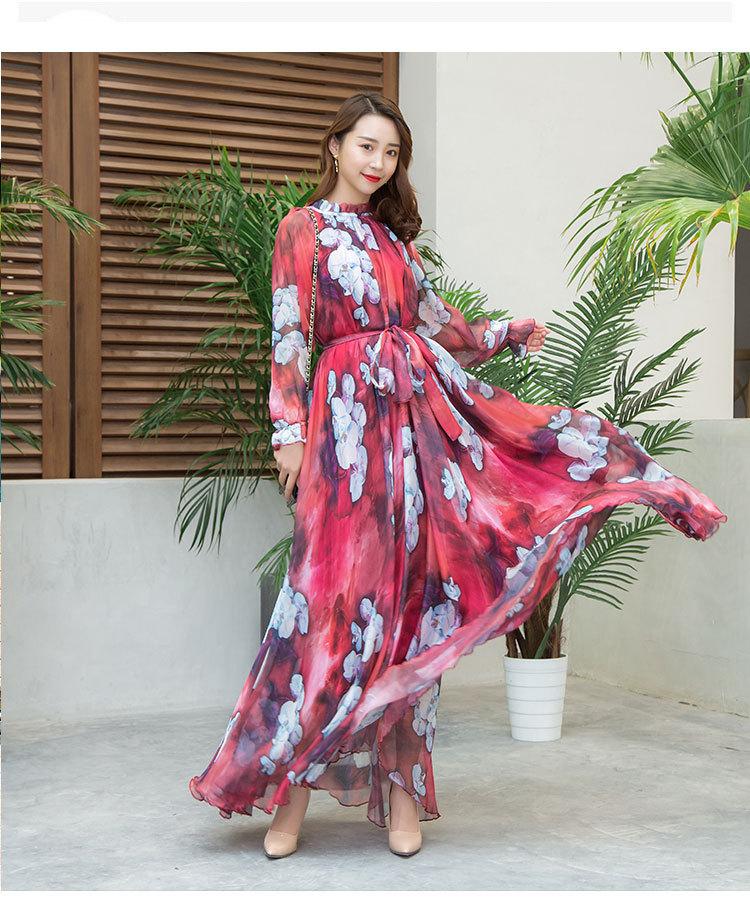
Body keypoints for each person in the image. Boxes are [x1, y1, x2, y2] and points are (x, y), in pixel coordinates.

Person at [189, 91, 727, 859]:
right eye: (367, 146)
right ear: (335, 146)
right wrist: (289, 436)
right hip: (344, 437)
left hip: (415, 435)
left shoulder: (395, 241)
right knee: (327, 604)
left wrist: (503, 333)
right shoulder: (301, 229)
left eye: (391, 153)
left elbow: (441, 326)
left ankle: (404, 794)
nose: (378, 163)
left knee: (412, 610)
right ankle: (291, 800)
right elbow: (286, 337)